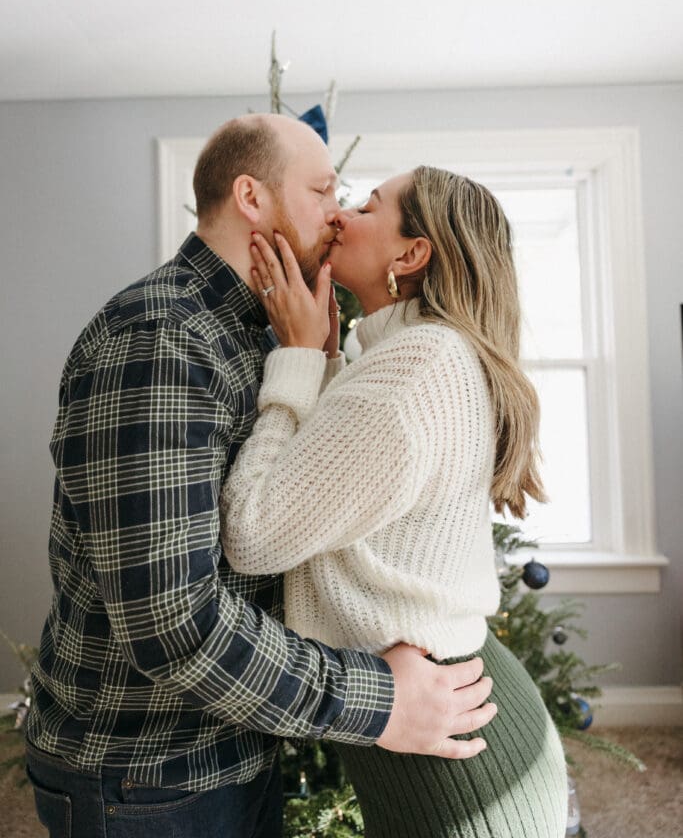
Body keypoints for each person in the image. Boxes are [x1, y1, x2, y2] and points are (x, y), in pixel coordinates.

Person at [25, 116, 497, 838]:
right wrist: (379, 702)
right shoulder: (162, 338)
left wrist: (310, 358)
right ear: (251, 197)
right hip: (147, 775)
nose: (337, 214)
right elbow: (171, 622)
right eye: (322, 191)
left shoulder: (262, 332)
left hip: (235, 748)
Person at [221, 166, 569, 838]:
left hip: (456, 762)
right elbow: (343, 477)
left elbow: (253, 532)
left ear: (410, 255)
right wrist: (324, 358)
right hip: (453, 709)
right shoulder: (421, 354)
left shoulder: (414, 368)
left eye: (366, 207)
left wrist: (296, 357)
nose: (340, 215)